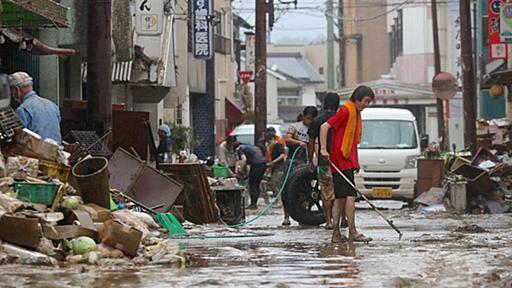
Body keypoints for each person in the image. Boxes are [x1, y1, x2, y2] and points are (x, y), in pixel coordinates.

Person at [320, 85, 375, 243]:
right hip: (340, 159)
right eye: (365, 101)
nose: (365, 105)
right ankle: (352, 231)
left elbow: (351, 142)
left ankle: (337, 233)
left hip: (347, 160)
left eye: (368, 103)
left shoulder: (355, 113)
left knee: (341, 198)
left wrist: (355, 162)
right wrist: (323, 149)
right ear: (357, 98)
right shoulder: (346, 111)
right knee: (350, 196)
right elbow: (325, 127)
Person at [308, 92, 340, 230]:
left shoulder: (318, 120)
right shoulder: (341, 120)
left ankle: (328, 221)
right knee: (341, 193)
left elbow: (311, 142)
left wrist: (310, 160)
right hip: (340, 163)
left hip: (323, 162)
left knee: (326, 192)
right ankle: (342, 220)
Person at [9, 71, 62, 143]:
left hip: (37, 153)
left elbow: (19, 139)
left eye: (12, 90)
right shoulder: (52, 105)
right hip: (57, 151)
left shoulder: (22, 110)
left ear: (17, 90)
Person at [236, 141, 267, 209]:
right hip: (263, 163)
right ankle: (254, 203)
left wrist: (240, 170)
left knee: (253, 184)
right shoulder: (250, 146)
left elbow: (244, 160)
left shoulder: (240, 149)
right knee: (256, 183)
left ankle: (253, 204)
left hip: (257, 165)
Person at [265, 130, 286, 219]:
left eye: (269, 141)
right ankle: (278, 200)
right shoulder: (271, 147)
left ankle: (280, 201)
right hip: (274, 168)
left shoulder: (278, 145)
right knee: (274, 184)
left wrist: (273, 162)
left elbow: (282, 155)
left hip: (279, 167)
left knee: (276, 183)